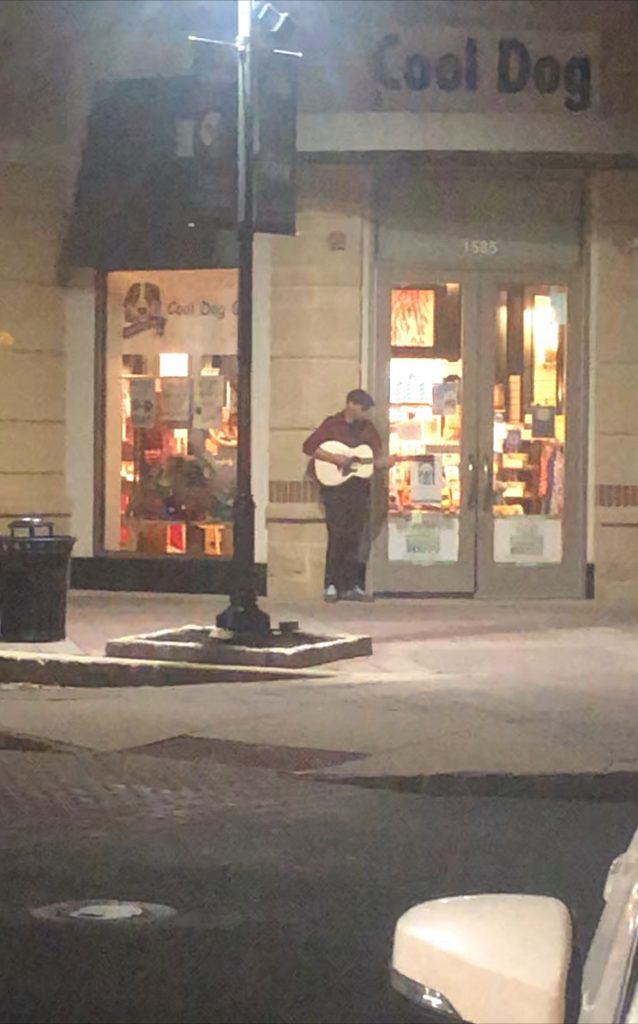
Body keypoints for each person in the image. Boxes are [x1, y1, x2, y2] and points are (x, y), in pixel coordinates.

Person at [302, 389, 394, 602]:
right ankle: (331, 584)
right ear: (350, 404)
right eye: (362, 409)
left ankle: (351, 585)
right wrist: (335, 459)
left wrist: (383, 463)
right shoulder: (332, 424)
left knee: (355, 536)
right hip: (334, 489)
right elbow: (309, 447)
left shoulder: (368, 430)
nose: (365, 414)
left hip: (359, 488)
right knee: (337, 534)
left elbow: (373, 459)